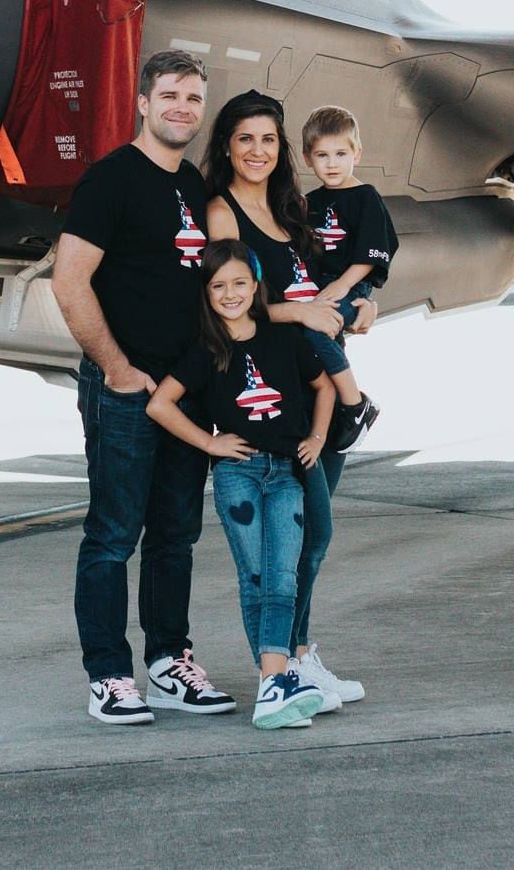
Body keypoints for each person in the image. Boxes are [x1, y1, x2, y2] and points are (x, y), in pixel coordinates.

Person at [52, 50, 236, 725]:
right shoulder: (111, 180)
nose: (182, 108)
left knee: (175, 535)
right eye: (170, 96)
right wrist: (116, 367)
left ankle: (168, 663)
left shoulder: (192, 185)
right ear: (142, 102)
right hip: (125, 389)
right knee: (113, 533)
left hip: (184, 392)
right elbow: (69, 281)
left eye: (193, 98)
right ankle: (108, 675)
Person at [200, 89, 369, 709]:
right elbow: (232, 302)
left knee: (314, 537)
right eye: (245, 138)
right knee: (302, 538)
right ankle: (289, 664)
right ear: (226, 146)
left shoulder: (290, 207)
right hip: (268, 397)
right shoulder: (222, 212)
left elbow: (325, 279)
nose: (258, 150)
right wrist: (299, 313)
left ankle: (299, 654)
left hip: (313, 387)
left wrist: (362, 302)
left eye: (268, 139)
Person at [147, 240, 335, 729]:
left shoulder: (284, 338)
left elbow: (324, 386)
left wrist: (317, 438)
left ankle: (275, 684)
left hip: (287, 474)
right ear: (206, 293)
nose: (229, 294)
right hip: (238, 475)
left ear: (255, 286)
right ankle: (275, 683)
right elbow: (159, 404)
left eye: (238, 283)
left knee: (283, 578)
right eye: (218, 286)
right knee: (255, 578)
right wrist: (209, 443)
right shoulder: (206, 351)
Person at [301, 103, 398, 453]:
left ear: (357, 154)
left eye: (341, 154)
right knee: (320, 343)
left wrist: (342, 285)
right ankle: (331, 415)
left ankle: (356, 404)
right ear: (307, 158)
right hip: (318, 289)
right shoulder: (309, 202)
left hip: (349, 284)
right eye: (322, 155)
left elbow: (373, 252)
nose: (332, 164)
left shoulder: (365, 197)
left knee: (315, 328)